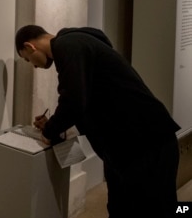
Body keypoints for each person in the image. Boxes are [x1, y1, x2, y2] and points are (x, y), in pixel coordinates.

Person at [15, 25, 180, 217]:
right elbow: (89, 100)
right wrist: (56, 125)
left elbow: (74, 101)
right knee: (122, 207)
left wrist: (50, 131)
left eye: (27, 59)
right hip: (129, 145)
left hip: (146, 143)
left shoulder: (68, 45)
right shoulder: (78, 43)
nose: (33, 65)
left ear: (30, 46)